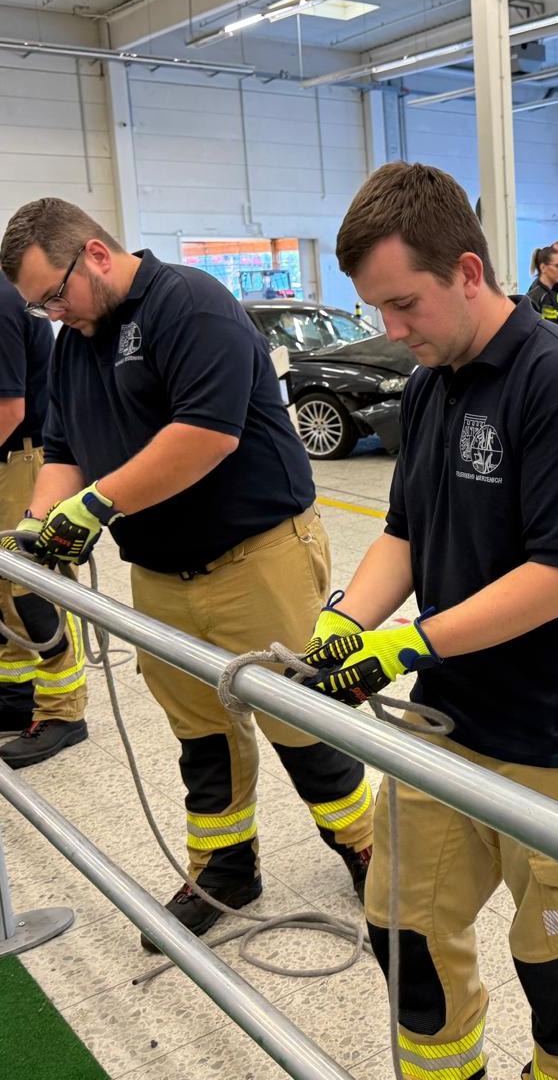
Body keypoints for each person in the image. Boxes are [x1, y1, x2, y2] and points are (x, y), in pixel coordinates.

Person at [294, 162, 558, 1080]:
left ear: (469, 271)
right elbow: (406, 534)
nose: (392, 330)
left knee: (554, 959)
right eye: (378, 310)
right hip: (445, 726)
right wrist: (346, 622)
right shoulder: (431, 383)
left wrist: (406, 643)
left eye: (405, 303)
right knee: (400, 926)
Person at [0, 199, 373, 943]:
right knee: (198, 730)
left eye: (55, 295)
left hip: (254, 553)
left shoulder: (188, 304)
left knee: (298, 721)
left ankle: (365, 847)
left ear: (95, 256)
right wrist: (45, 521)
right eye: (38, 306)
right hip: (160, 569)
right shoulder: (77, 341)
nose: (52, 314)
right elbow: (65, 448)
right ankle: (225, 866)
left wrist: (96, 506)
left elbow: (205, 435)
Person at [0, 279, 87, 766]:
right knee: (1, 588)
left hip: (23, 458)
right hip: (8, 457)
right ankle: (16, 695)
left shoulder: (0, 301)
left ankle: (62, 711)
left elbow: (8, 408)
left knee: (31, 588)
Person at [525, 245, 558, 327]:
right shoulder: (541, 296)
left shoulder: (551, 293)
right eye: (557, 266)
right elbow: (551, 329)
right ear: (543, 268)